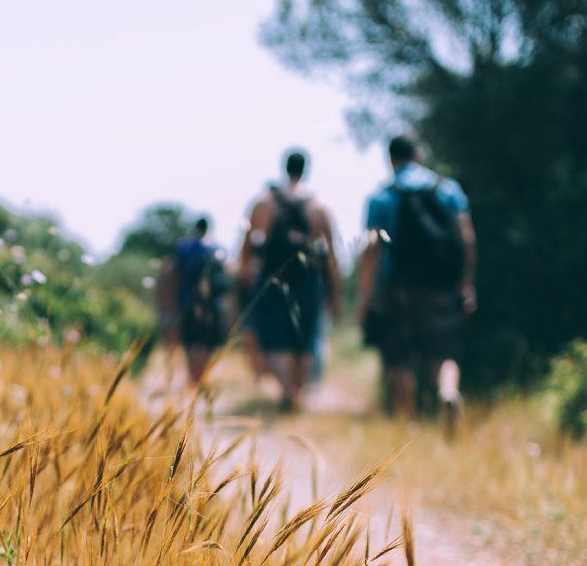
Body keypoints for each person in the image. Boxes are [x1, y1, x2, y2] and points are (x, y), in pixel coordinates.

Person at [358, 135, 477, 431]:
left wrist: (366, 299)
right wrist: (465, 283)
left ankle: (406, 427)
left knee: (399, 357)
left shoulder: (382, 196)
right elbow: (467, 239)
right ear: (419, 154)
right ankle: (447, 392)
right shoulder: (447, 190)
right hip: (440, 283)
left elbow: (371, 252)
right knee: (443, 350)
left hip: (398, 286)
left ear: (390, 158)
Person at [240, 150, 342, 411]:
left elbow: (247, 248)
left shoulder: (264, 202)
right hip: (308, 280)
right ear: (306, 169)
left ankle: (286, 390)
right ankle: (297, 393)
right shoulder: (318, 206)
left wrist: (244, 280)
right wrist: (335, 293)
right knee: (304, 338)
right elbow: (330, 255)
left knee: (275, 337)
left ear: (284, 168)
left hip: (273, 278)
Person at [164, 217, 229, 385]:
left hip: (187, 302)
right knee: (208, 342)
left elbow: (173, 275)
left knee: (190, 342)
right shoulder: (217, 248)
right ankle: (202, 377)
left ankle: (193, 378)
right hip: (213, 304)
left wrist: (169, 303)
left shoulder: (184, 247)